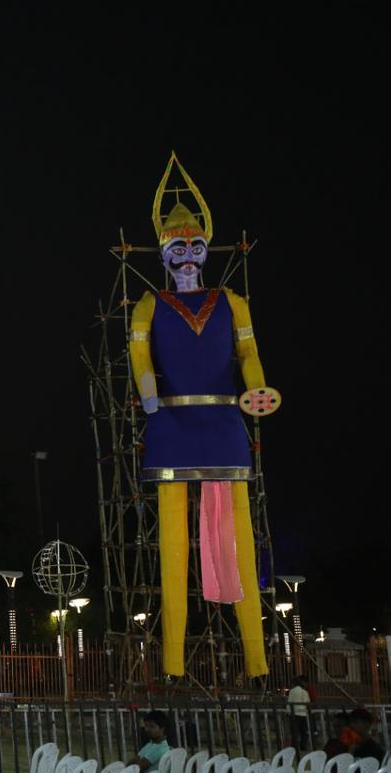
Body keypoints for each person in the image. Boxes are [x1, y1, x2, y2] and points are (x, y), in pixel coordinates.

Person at [129, 153, 276, 679]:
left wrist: (257, 390)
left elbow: (250, 354)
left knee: (240, 537)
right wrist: (148, 395)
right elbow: (140, 356)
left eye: (194, 246)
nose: (186, 256)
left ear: (205, 251)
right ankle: (171, 663)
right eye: (176, 247)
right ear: (164, 254)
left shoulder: (232, 303)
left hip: (222, 423)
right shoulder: (149, 304)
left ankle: (257, 662)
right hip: (171, 423)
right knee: (172, 546)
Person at [287, 675, 312, 750]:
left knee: (294, 731)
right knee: (303, 732)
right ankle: (303, 746)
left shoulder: (292, 691)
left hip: (294, 713)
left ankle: (294, 747)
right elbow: (308, 702)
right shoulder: (305, 692)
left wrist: (288, 711)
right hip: (303, 713)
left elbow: (290, 702)